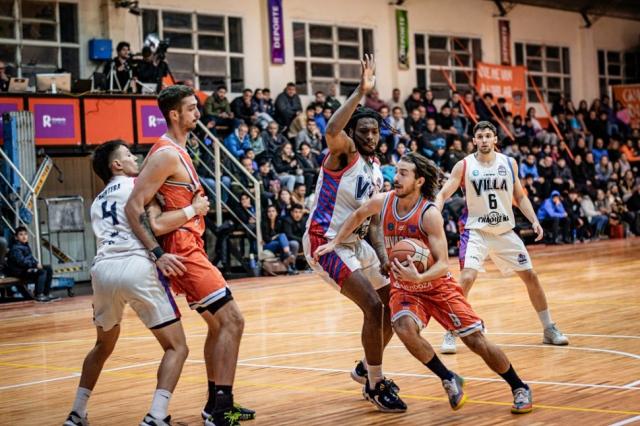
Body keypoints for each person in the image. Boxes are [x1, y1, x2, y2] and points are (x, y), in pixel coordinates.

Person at [314, 152, 533, 414]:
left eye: (403, 173)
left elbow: (442, 264)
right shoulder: (384, 201)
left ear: (419, 181)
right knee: (402, 327)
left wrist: (419, 277)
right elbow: (359, 214)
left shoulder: (429, 214)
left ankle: (519, 386)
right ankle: (448, 377)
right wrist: (335, 242)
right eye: (397, 171)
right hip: (405, 289)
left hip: (437, 287)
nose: (396, 178)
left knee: (476, 341)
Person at [124, 85, 254, 426]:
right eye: (192, 108)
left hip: (191, 244)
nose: (198, 113)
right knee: (233, 320)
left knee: (218, 324)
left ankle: (216, 403)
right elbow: (135, 207)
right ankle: (221, 409)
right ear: (174, 114)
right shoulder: (165, 154)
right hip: (182, 249)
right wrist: (157, 252)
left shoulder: (179, 151)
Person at [63, 140, 210, 426]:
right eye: (129, 155)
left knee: (102, 346)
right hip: (136, 265)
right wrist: (193, 210)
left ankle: (77, 413)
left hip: (102, 271)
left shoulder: (98, 200)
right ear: (116, 165)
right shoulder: (137, 185)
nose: (136, 158)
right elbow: (155, 222)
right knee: (177, 347)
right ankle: (156, 415)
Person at [303, 54, 406, 412]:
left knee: (394, 306)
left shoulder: (376, 169)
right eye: (364, 131)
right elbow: (332, 129)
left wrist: (384, 257)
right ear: (353, 133)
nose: (370, 136)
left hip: (358, 243)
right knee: (373, 307)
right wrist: (361, 92)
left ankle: (365, 368)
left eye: (375, 131)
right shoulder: (343, 153)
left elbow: (374, 222)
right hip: (326, 243)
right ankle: (376, 384)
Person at [435, 121, 569, 354]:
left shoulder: (509, 163)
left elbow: (520, 196)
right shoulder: (464, 165)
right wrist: (434, 212)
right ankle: (451, 330)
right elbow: (444, 193)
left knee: (531, 276)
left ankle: (549, 328)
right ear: (474, 140)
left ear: (495, 139)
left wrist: (534, 220)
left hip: (505, 230)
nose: (484, 140)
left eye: (488, 135)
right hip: (476, 230)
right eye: (480, 136)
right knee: (467, 277)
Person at [6, 227, 59, 303]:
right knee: (42, 272)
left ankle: (46, 294)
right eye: (21, 234)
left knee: (48, 268)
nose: (24, 236)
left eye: (25, 234)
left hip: (25, 269)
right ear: (16, 237)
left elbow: (30, 258)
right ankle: (39, 294)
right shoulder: (15, 248)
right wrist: (34, 265)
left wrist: (36, 263)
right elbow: (21, 262)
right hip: (19, 272)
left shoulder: (25, 246)